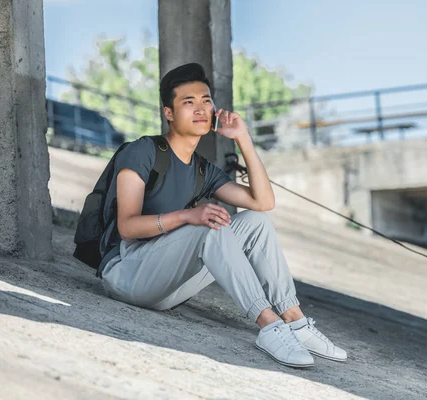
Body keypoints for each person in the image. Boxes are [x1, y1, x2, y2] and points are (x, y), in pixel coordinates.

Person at [99, 63, 346, 368]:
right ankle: (269, 325)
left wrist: (242, 138)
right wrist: (188, 216)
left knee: (255, 222)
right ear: (169, 113)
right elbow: (127, 227)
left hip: (167, 288)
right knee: (209, 225)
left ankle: (294, 319)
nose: (200, 108)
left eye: (206, 101)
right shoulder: (143, 152)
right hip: (129, 274)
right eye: (188, 102)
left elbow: (262, 201)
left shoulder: (202, 169)